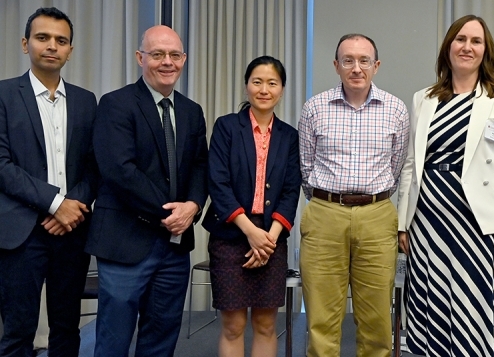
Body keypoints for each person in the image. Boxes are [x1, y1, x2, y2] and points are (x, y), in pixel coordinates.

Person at [396, 15, 494, 356]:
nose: (467, 47)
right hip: (428, 226)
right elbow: (411, 164)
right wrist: (403, 223)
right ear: (448, 47)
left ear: (486, 51)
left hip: (479, 228)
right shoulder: (423, 98)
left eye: (476, 41)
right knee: (433, 311)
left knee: (477, 313)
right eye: (460, 39)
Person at [85, 25, 208, 357]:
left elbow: (200, 165)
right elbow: (119, 171)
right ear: (140, 58)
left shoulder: (192, 111)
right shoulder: (116, 104)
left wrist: (193, 205)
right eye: (157, 54)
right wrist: (172, 211)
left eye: (174, 55)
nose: (167, 62)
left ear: (184, 59)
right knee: (113, 340)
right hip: (125, 242)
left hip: (174, 247)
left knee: (162, 338)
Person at [298, 33, 409, 357]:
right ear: (336, 65)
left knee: (377, 320)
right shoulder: (315, 107)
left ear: (376, 65)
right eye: (348, 60)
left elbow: (397, 165)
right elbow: (306, 166)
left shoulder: (396, 109)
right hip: (325, 214)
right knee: (321, 319)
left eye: (364, 60)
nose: (356, 68)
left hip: (376, 215)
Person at [0, 7, 99, 356]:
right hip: (20, 233)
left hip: (71, 232)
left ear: (70, 50)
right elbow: (2, 166)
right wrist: (57, 204)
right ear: (25, 43)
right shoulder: (4, 95)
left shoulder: (87, 101)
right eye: (42, 38)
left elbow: (94, 167)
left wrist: (73, 207)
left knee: (67, 330)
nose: (52, 46)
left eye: (61, 40)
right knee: (18, 332)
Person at [203, 56, 301, 357]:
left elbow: (290, 190)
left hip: (271, 239)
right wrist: (250, 232)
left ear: (282, 89)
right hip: (231, 236)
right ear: (247, 85)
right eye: (257, 82)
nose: (264, 89)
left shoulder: (289, 136)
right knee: (233, 325)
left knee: (266, 324)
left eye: (272, 83)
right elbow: (218, 183)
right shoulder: (227, 127)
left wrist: (268, 239)